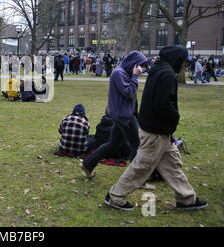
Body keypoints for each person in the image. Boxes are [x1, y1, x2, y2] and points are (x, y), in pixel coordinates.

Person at [104, 45, 208, 211]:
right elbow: (162, 104)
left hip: (160, 131)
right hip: (155, 132)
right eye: (183, 62)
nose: (184, 66)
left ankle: (186, 198)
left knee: (173, 165)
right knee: (141, 167)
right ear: (177, 59)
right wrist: (175, 116)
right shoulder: (166, 74)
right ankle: (115, 196)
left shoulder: (160, 70)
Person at [81, 51, 147, 179]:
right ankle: (134, 178)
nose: (142, 69)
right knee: (137, 146)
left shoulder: (123, 73)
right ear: (133, 63)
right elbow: (129, 93)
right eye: (140, 65)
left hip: (123, 115)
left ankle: (88, 164)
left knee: (112, 144)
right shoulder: (118, 73)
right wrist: (135, 76)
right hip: (124, 117)